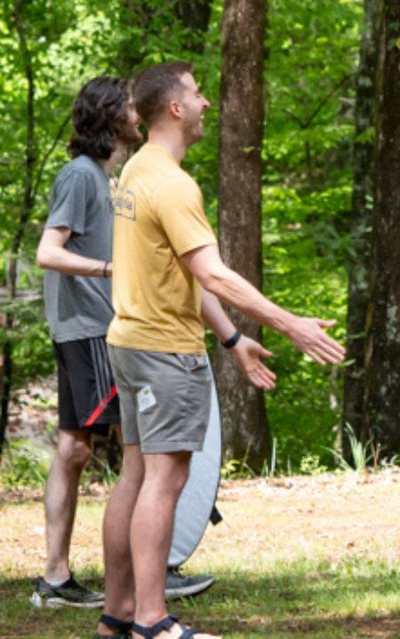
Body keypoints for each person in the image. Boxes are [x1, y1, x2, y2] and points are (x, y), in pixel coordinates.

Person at [99, 61, 345, 639]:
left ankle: (117, 617)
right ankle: (152, 621)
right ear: (175, 108)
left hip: (129, 343)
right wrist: (290, 324)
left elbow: (181, 272)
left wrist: (233, 339)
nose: (205, 102)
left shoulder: (137, 170)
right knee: (164, 481)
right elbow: (213, 274)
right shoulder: (172, 184)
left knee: (135, 477)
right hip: (164, 352)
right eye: (196, 93)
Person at [32, 77, 215, 610]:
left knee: (78, 449)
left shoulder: (112, 177)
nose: (140, 115)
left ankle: (61, 577)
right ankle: (145, 574)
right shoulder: (81, 176)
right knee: (145, 457)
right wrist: (114, 269)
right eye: (132, 108)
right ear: (110, 116)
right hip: (90, 326)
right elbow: (48, 252)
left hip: (94, 327)